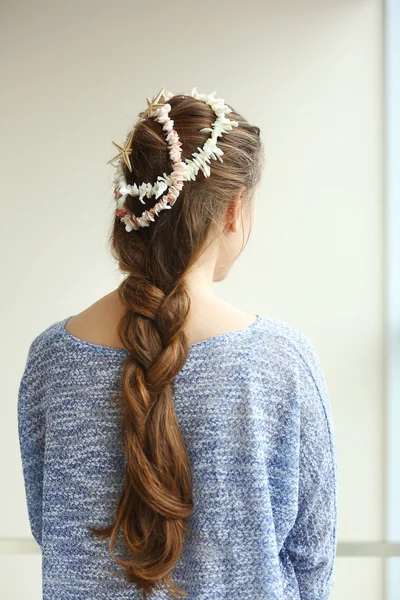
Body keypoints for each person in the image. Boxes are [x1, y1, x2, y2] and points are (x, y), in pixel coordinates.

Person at [17, 87, 338, 600]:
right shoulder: (281, 361)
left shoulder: (52, 359)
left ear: (129, 205)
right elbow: (312, 559)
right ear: (234, 211)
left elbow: (49, 529)